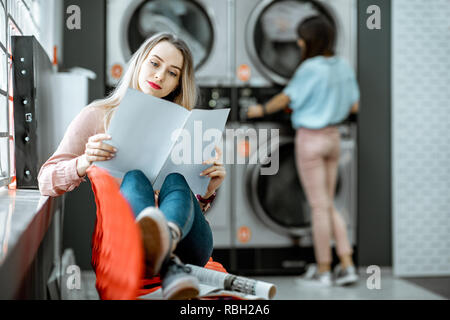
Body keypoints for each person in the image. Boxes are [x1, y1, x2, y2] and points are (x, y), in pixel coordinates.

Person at [38, 32, 226, 299]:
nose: (160, 76)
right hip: (126, 243)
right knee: (135, 177)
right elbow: (45, 180)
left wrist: (208, 191)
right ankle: (168, 262)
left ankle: (165, 240)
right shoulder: (97, 116)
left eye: (172, 73)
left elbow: (192, 206)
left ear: (178, 83)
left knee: (176, 181)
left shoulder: (185, 127)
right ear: (139, 62)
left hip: (191, 246)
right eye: (155, 63)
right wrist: (84, 161)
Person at [247, 15, 359, 287]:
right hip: (335, 137)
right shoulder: (342, 66)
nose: (297, 42)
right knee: (330, 204)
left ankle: (323, 270)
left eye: (300, 38)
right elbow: (355, 106)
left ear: (309, 41)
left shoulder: (309, 68)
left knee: (318, 207)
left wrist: (259, 110)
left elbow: (286, 97)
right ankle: (347, 265)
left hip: (311, 139)